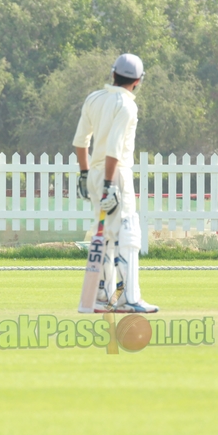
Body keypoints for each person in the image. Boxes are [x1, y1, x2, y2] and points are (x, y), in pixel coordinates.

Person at [72, 53, 159, 314]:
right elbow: (114, 148)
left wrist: (86, 174)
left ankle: (102, 296)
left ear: (113, 75)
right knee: (128, 234)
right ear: (138, 82)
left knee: (107, 238)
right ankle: (128, 298)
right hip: (116, 174)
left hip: (96, 174)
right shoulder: (127, 105)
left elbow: (80, 142)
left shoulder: (94, 99)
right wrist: (110, 183)